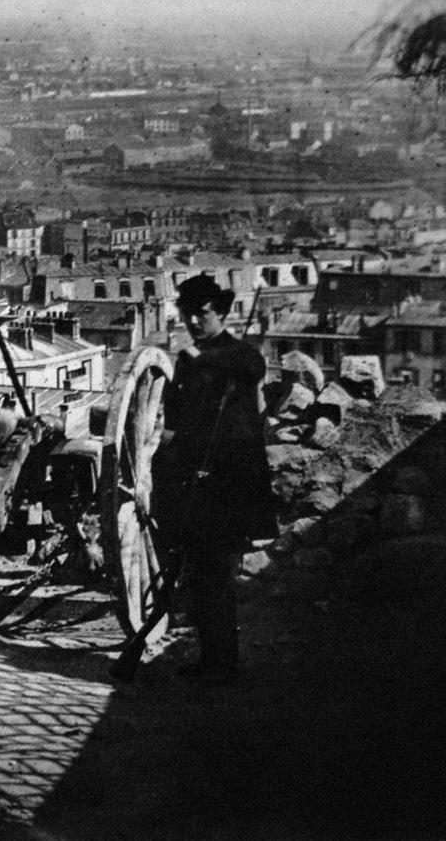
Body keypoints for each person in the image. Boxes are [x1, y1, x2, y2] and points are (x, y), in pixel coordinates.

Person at [153, 274, 277, 684]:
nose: (193, 320)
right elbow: (175, 420)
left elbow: (253, 366)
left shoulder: (237, 355)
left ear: (221, 313)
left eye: (202, 313)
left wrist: (200, 359)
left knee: (216, 575)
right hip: (194, 480)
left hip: (227, 484)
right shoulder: (188, 360)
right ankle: (211, 658)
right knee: (202, 575)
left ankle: (222, 663)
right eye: (186, 312)